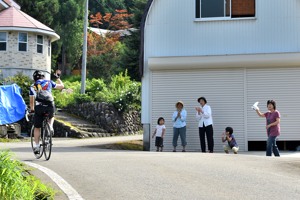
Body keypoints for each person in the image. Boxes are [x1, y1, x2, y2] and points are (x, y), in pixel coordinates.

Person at [29, 70, 64, 154]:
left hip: (39, 106)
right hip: (49, 105)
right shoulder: (49, 82)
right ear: (43, 77)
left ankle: (37, 146)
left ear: (34, 78)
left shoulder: (34, 85)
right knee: (51, 116)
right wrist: (58, 78)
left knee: (37, 127)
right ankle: (51, 126)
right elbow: (62, 86)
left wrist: (32, 110)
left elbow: (31, 102)